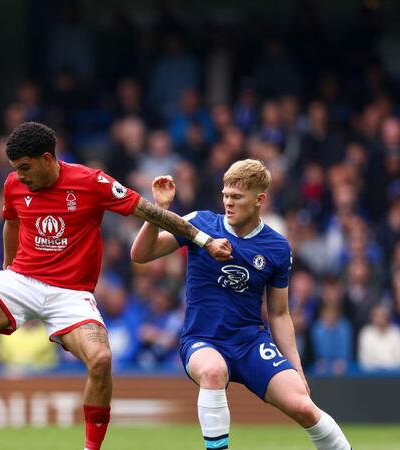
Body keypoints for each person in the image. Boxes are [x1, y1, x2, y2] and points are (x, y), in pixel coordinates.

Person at [0, 122, 232, 449]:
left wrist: (204, 240)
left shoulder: (92, 182)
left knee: (101, 360)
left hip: (71, 294)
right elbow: (11, 222)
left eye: (25, 168)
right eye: (15, 170)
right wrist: (7, 271)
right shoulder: (13, 185)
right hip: (21, 279)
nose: (19, 177)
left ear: (48, 159)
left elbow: (149, 212)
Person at [130, 159, 352, 450]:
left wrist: (295, 365)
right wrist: (158, 212)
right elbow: (141, 254)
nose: (228, 203)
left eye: (236, 197)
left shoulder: (277, 247)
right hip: (202, 339)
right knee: (212, 372)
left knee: (303, 406)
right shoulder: (200, 223)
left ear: (260, 200)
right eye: (225, 195)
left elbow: (279, 313)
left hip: (249, 343)